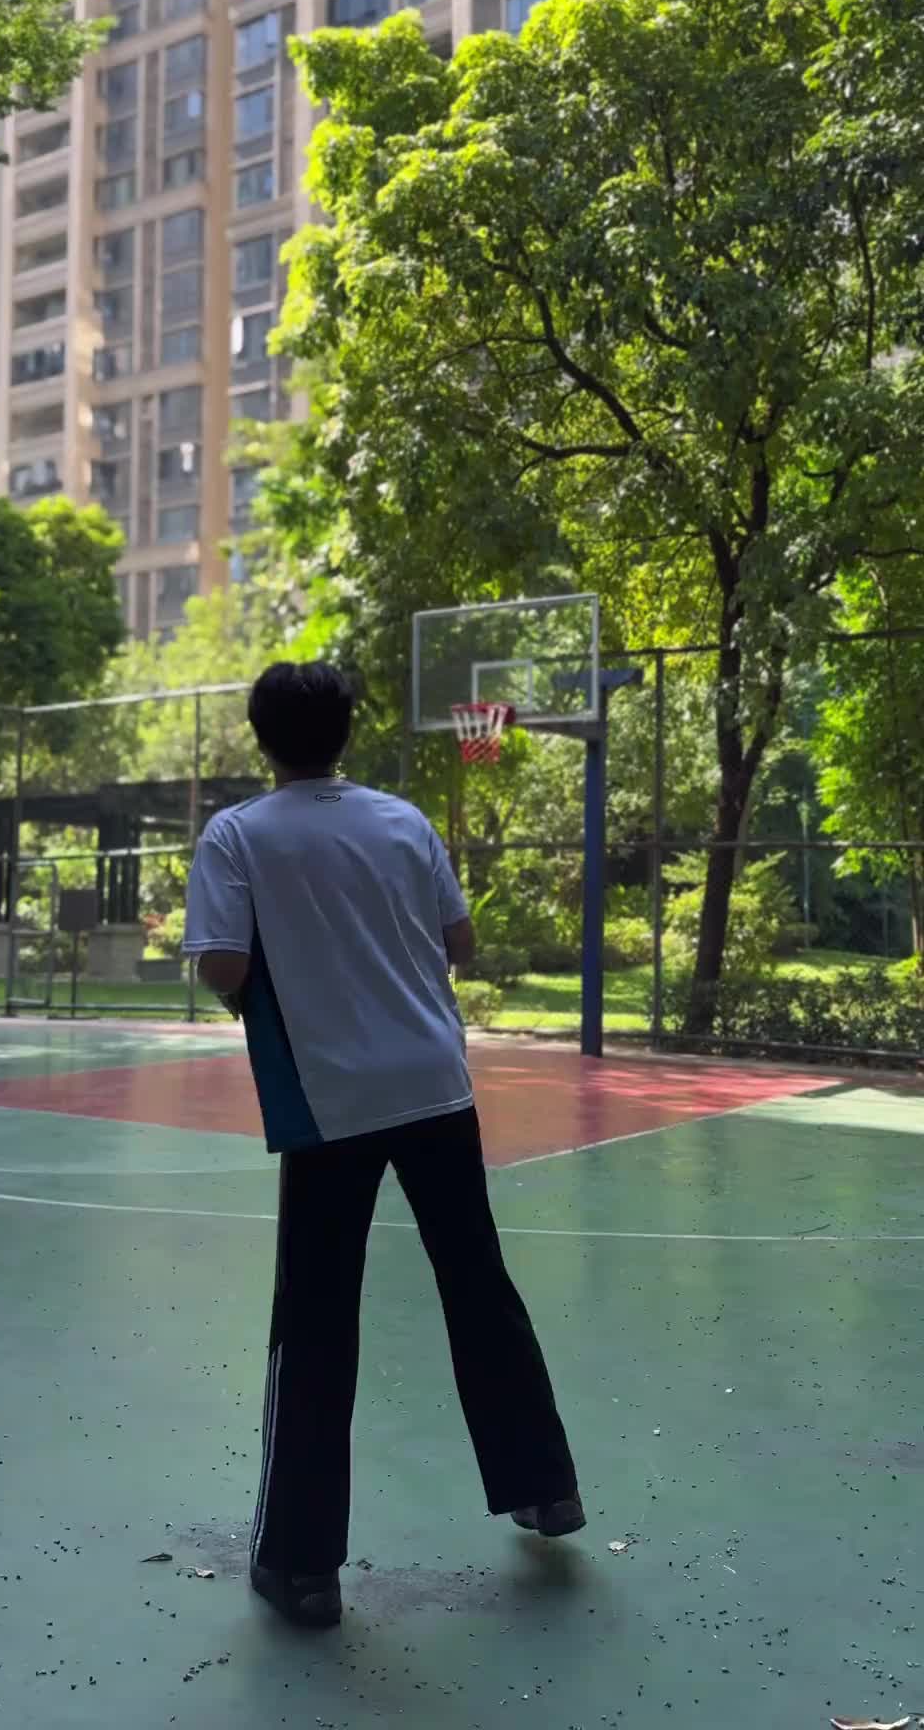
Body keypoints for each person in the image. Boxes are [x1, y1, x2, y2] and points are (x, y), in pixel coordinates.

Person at [183, 661, 583, 1629]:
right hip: (436, 1084)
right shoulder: (404, 821)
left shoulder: (237, 833)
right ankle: (545, 1488)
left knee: (317, 1318)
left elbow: (223, 965)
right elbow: (461, 943)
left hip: (334, 1097)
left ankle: (302, 1567)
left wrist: (284, 960)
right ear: (346, 733)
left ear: (260, 737)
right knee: (478, 1286)